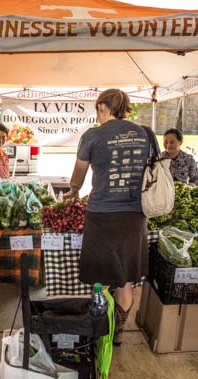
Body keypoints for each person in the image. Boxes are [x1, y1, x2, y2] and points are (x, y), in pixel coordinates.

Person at [64, 88, 152, 347]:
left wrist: (72, 191)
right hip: (134, 216)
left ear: (102, 106)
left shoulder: (93, 135)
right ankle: (118, 332)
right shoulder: (142, 133)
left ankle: (100, 328)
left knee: (100, 278)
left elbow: (77, 178)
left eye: (97, 109)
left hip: (102, 215)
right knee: (125, 279)